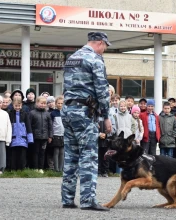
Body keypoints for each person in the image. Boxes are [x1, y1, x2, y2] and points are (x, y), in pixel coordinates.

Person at [61, 32, 112, 211]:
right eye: (105, 46)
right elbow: (102, 90)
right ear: (99, 43)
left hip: (67, 110)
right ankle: (87, 199)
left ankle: (67, 198)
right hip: (84, 112)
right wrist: (106, 116)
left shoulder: (71, 58)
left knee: (71, 156)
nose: (104, 50)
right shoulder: (95, 59)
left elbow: (66, 86)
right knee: (88, 155)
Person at [28, 96, 52, 173]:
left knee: (42, 153)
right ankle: (35, 168)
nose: (43, 105)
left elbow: (50, 126)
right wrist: (30, 135)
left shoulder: (47, 114)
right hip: (35, 137)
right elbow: (29, 125)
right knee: (35, 153)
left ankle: (41, 168)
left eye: (44, 103)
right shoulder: (32, 113)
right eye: (41, 103)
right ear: (37, 103)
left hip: (44, 137)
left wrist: (50, 136)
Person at [8, 97, 33, 171]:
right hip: (13, 138)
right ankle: (13, 168)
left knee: (22, 155)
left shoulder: (25, 114)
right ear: (13, 105)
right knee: (13, 155)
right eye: (16, 106)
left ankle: (21, 169)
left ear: (21, 105)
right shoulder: (10, 114)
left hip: (23, 139)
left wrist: (30, 139)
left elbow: (28, 126)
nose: (17, 107)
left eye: (19, 106)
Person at [50, 96, 64, 172]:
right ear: (55, 104)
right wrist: (51, 135)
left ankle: (61, 168)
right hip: (56, 134)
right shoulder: (53, 113)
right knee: (56, 152)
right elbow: (51, 125)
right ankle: (56, 169)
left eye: (62, 103)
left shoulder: (65, 112)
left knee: (62, 152)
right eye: (58, 103)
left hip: (63, 135)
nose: (60, 105)